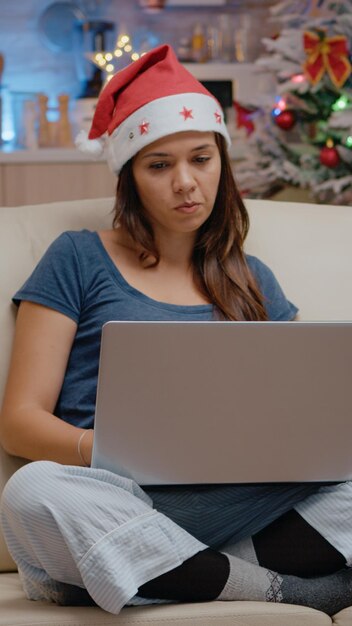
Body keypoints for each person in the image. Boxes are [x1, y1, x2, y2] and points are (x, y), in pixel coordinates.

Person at [0, 44, 351, 616]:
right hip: (119, 497)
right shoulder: (77, 258)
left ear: (222, 161)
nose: (186, 183)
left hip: (241, 503)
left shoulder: (252, 277)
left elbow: (311, 412)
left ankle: (148, 573)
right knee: (32, 493)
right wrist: (117, 454)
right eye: (159, 165)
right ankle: (283, 586)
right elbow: (19, 423)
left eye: (201, 159)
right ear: (130, 177)